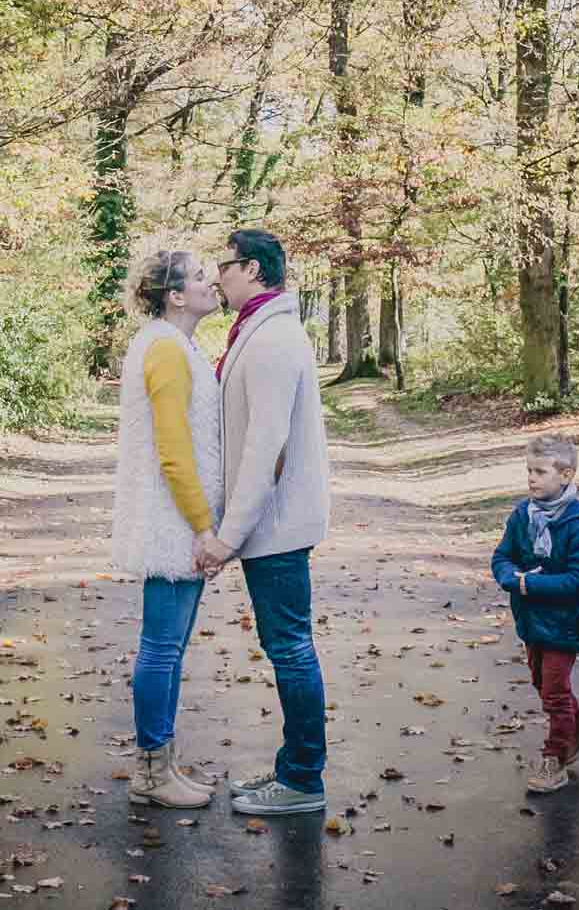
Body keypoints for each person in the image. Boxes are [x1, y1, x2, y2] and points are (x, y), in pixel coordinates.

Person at [198, 228, 332, 817]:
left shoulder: (275, 339)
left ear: (252, 270)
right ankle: (292, 768)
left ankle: (303, 779)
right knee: (286, 647)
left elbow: (266, 447)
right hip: (271, 527)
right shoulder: (260, 331)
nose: (216, 276)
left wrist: (230, 533)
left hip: (276, 528)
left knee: (291, 649)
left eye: (223, 266)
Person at [111, 248, 225, 809]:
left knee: (170, 647)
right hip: (173, 520)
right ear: (175, 295)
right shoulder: (165, 349)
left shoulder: (174, 345)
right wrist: (204, 527)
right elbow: (174, 449)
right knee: (161, 648)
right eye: (201, 276)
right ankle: (152, 769)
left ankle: (163, 763)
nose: (211, 283)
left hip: (176, 516)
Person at [490, 432, 579, 794]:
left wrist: (532, 585)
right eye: (529, 471)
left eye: (540, 471)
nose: (531, 478)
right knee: (542, 683)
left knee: (554, 690)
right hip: (530, 620)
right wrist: (509, 578)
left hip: (564, 623)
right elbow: (502, 556)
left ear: (565, 475)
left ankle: (556, 758)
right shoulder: (522, 515)